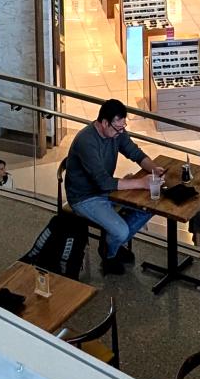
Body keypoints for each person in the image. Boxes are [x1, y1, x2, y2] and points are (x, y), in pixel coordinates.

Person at [62, 98, 164, 274]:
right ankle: (109, 254)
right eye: (118, 128)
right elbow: (102, 181)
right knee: (122, 231)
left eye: (123, 127)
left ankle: (111, 239)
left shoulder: (117, 132)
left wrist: (155, 170)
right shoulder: (86, 141)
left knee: (151, 205)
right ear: (104, 123)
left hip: (106, 189)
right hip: (84, 197)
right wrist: (141, 183)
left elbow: (135, 152)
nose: (121, 132)